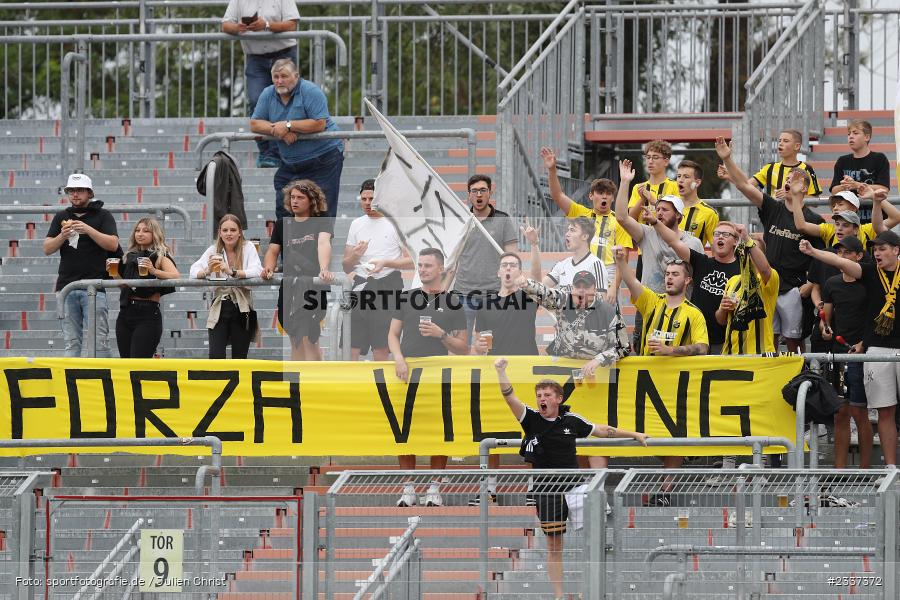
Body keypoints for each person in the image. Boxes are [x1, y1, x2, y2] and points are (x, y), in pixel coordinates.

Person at [493, 357, 647, 600]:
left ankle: (590, 591)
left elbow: (602, 430)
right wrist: (500, 371)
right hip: (547, 492)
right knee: (555, 547)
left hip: (575, 488)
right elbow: (509, 396)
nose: (542, 399)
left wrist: (634, 434)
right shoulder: (530, 418)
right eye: (539, 395)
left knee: (593, 541)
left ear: (558, 399)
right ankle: (559, 596)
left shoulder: (572, 420)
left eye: (547, 395)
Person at [798, 231, 900, 467]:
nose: (877, 253)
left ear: (896, 250)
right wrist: (813, 252)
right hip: (876, 350)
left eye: (883, 248)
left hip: (878, 348)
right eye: (875, 249)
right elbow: (839, 262)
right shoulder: (871, 272)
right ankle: (890, 469)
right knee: (884, 412)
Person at [716, 136, 823, 353]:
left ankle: (798, 373)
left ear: (804, 187)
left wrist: (811, 285)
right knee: (769, 338)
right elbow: (744, 185)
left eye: (794, 179)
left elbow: (821, 258)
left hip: (794, 287)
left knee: (794, 341)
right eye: (787, 178)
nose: (788, 181)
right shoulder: (774, 208)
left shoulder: (814, 220)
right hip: (767, 284)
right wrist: (727, 159)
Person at [615, 246, 708, 493]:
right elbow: (631, 282)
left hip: (676, 388)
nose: (669, 278)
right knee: (650, 435)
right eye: (667, 273)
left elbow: (703, 347)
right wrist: (621, 261)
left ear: (687, 280)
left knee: (674, 437)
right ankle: (679, 461)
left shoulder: (693, 314)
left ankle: (666, 489)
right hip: (646, 385)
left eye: (675, 274)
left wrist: (670, 351)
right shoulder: (652, 302)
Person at [516, 268, 630, 470]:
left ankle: (596, 487)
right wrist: (525, 283)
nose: (582, 291)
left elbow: (624, 347)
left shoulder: (609, 311)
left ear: (595, 289)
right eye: (578, 286)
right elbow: (544, 293)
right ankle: (558, 483)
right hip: (563, 380)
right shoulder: (563, 300)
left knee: (594, 437)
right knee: (556, 433)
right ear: (572, 288)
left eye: (587, 287)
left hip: (595, 382)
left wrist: (599, 359)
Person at [387, 248, 468, 507]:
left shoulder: (452, 302)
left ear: (441, 269)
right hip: (407, 373)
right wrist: (398, 358)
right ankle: (408, 487)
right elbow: (392, 335)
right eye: (420, 265)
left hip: (438, 374)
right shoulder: (406, 297)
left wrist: (440, 334)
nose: (422, 269)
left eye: (428, 265)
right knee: (404, 430)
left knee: (440, 429)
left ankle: (434, 488)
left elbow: (463, 347)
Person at [616, 159, 704, 348]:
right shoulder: (647, 233)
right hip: (648, 308)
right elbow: (622, 218)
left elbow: (700, 279)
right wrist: (624, 182)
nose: (659, 213)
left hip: (680, 311)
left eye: (665, 210)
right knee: (642, 351)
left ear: (679, 216)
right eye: (657, 210)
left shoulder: (692, 243)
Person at [250, 58, 344, 219]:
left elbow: (319, 123)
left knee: (322, 209)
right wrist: (278, 130)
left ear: (296, 76)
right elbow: (254, 123)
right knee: (283, 206)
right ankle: (288, 236)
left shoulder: (310, 91)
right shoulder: (268, 93)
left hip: (323, 158)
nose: (279, 81)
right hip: (291, 163)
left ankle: (321, 237)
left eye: (284, 76)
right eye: (275, 77)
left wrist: (288, 125)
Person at [541, 146, 631, 303]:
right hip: (582, 272)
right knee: (581, 313)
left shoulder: (619, 221)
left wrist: (614, 287)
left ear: (613, 198)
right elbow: (557, 196)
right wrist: (552, 170)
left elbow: (624, 258)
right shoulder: (581, 213)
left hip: (607, 271)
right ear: (591, 196)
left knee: (608, 316)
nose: (604, 197)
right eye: (600, 193)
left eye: (608, 194)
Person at [44, 173, 120, 357]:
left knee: (100, 342)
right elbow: (47, 248)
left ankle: (101, 375)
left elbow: (113, 244)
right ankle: (72, 376)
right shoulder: (61, 216)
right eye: (71, 190)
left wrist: (88, 229)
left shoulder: (103, 215)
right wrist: (63, 235)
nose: (75, 194)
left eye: (79, 190)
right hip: (66, 286)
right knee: (71, 342)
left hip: (95, 286)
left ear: (89, 193)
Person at [262, 179, 334, 360]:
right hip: (290, 286)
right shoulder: (282, 224)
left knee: (310, 338)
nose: (295, 201)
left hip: (312, 286)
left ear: (311, 200)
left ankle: (313, 376)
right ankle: (297, 376)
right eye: (292, 197)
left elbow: (323, 243)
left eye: (300, 197)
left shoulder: (321, 220)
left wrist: (324, 269)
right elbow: (272, 251)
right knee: (294, 337)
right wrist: (268, 268)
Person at [222, 0, 300, 168]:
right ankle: (267, 152)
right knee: (256, 102)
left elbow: (292, 24)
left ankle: (278, 153)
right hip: (255, 58)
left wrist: (266, 25)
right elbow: (225, 25)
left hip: (283, 55)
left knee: (284, 102)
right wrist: (238, 28)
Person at [819, 236, 874, 468]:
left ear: (859, 256)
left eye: (847, 252)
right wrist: (825, 329)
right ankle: (840, 471)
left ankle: (865, 471)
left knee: (859, 413)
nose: (841, 257)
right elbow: (826, 318)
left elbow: (876, 318)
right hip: (839, 354)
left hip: (862, 354)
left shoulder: (868, 281)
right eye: (839, 252)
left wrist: (862, 343)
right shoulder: (831, 283)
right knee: (840, 413)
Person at [342, 179, 412, 361]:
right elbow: (346, 266)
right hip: (361, 284)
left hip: (388, 285)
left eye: (371, 198)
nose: (367, 203)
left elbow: (412, 261)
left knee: (381, 346)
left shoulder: (396, 223)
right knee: (351, 345)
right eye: (364, 199)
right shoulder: (356, 224)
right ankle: (351, 379)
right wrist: (355, 256)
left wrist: (386, 263)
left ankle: (380, 379)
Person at [649, 216, 740, 355]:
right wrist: (655, 222)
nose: (720, 237)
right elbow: (673, 241)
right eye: (717, 234)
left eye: (726, 234)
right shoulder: (701, 262)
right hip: (694, 338)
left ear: (735, 241)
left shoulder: (741, 269)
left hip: (724, 340)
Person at [452, 174, 518, 342]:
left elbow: (513, 258)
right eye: (474, 191)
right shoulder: (461, 221)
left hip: (494, 293)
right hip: (463, 293)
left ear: (490, 192)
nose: (479, 195)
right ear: (468, 195)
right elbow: (452, 259)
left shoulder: (503, 220)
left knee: (492, 345)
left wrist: (510, 289)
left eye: (483, 190)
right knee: (461, 346)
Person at [191, 214, 264, 359]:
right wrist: (207, 271)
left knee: (239, 357)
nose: (229, 234)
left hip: (242, 306)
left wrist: (232, 272)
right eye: (225, 230)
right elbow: (193, 272)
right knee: (215, 356)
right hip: (220, 305)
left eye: (233, 230)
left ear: (240, 232)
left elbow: (257, 270)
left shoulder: (248, 247)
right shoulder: (213, 250)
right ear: (220, 232)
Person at [115, 218, 180, 358]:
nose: (140, 234)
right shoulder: (129, 256)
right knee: (125, 362)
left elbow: (175, 276)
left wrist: (153, 271)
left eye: (146, 231)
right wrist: (114, 273)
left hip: (148, 312)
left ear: (154, 234)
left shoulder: (160, 255)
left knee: (138, 362)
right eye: (137, 230)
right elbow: (124, 286)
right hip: (125, 311)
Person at [716, 226, 779, 355]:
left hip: (759, 354)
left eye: (751, 251)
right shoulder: (733, 280)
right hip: (731, 354)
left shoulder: (768, 278)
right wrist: (723, 309)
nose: (747, 254)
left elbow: (765, 269)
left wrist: (746, 239)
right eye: (745, 250)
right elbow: (721, 320)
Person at [749, 128, 821, 197]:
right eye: (779, 141)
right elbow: (748, 186)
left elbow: (815, 199)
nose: (780, 143)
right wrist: (763, 199)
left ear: (797, 146)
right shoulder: (769, 168)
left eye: (786, 141)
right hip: (773, 206)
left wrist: (792, 195)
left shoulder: (807, 169)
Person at [543, 217, 608, 291]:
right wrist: (534, 245)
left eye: (572, 230)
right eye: (568, 230)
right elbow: (541, 288)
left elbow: (602, 297)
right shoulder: (562, 264)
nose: (567, 234)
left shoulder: (596, 264)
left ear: (584, 236)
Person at [829, 119, 891, 197]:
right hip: (848, 205)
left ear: (867, 137)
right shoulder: (842, 161)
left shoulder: (879, 159)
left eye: (855, 133)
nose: (851, 136)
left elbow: (884, 189)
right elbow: (833, 191)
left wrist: (857, 185)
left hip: (872, 204)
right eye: (849, 134)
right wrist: (846, 185)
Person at [626, 139, 680, 221]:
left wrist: (654, 202)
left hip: (665, 230)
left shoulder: (675, 186)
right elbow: (631, 218)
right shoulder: (638, 187)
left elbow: (678, 217)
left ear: (666, 161)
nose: (650, 161)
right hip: (642, 229)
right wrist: (642, 200)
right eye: (648, 157)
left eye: (655, 157)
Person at [676, 159, 719, 247]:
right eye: (679, 176)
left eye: (686, 177)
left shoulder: (709, 213)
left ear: (697, 183)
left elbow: (716, 247)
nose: (680, 180)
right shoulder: (669, 207)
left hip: (693, 256)